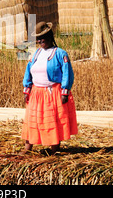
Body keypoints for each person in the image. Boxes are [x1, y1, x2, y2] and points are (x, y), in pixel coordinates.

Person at [22, 22, 78, 155]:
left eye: (43, 38)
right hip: (36, 92)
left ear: (50, 36)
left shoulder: (60, 53)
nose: (40, 41)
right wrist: (27, 88)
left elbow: (67, 72)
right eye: (38, 39)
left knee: (52, 119)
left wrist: (65, 91)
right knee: (32, 119)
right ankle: (27, 149)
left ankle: (54, 150)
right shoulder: (36, 54)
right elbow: (28, 71)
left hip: (52, 92)